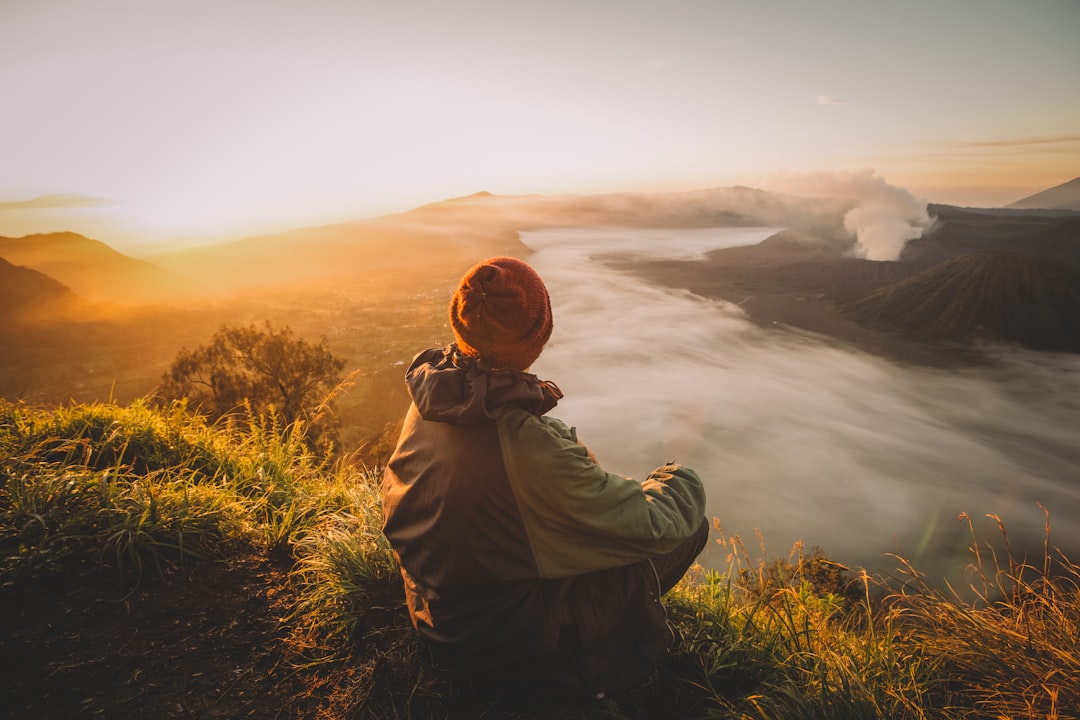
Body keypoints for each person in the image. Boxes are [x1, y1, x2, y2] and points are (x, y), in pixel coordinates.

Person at [381, 256, 709, 701]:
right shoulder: (524, 446)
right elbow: (654, 524)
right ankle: (618, 660)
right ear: (538, 335)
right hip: (501, 649)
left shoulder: (434, 398)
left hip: (437, 616)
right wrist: (678, 471)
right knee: (687, 527)